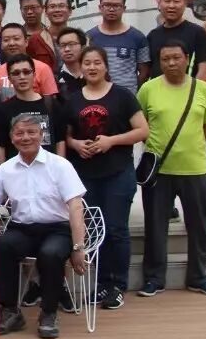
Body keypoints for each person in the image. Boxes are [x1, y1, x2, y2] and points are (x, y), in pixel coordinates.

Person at [0, 114, 87, 339]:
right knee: (3, 245)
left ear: (41, 135)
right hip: (23, 228)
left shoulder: (60, 165)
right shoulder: (6, 169)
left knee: (51, 253)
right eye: (19, 133)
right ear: (12, 138)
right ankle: (10, 310)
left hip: (57, 229)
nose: (25, 137)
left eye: (31, 132)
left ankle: (48, 313)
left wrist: (78, 247)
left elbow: (76, 206)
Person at [63, 45, 148, 310]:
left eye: (97, 62)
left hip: (118, 173)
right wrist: (76, 144)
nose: (92, 67)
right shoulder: (73, 99)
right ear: (81, 67)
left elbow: (142, 130)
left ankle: (117, 285)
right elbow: (66, 136)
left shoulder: (122, 96)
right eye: (87, 63)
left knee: (116, 229)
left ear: (106, 66)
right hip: (85, 176)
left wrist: (111, 140)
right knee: (94, 231)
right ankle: (100, 284)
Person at [138, 40, 206, 297]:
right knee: (155, 227)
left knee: (199, 226)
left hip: (195, 169)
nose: (171, 63)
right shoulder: (148, 89)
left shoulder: (202, 88)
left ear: (187, 58)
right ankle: (154, 279)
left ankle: (198, 278)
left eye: (176, 57)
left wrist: (190, 146)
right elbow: (140, 126)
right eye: (165, 59)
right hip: (159, 171)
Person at [0, 54, 66, 163]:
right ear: (9, 78)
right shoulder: (2, 110)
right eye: (16, 73)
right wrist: (3, 171)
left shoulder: (51, 105)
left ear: (34, 75)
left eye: (26, 72)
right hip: (17, 169)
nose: (22, 77)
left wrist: (60, 167)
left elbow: (60, 141)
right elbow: (0, 146)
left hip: (49, 168)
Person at [86, 0, 150, 94]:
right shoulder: (89, 37)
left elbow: (144, 71)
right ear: (100, 7)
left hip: (128, 97)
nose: (111, 9)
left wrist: (132, 91)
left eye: (116, 6)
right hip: (97, 95)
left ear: (124, 8)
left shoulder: (137, 37)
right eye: (107, 5)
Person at [147, 0, 206, 78]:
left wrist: (194, 86)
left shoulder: (197, 32)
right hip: (158, 87)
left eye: (176, 1)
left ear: (185, 4)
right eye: (167, 1)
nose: (171, 5)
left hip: (187, 87)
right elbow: (148, 68)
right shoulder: (153, 35)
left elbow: (204, 67)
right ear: (159, 4)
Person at [0, 24, 59, 102]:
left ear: (26, 42)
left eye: (16, 39)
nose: (11, 43)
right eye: (6, 40)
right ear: (1, 44)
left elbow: (51, 101)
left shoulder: (43, 68)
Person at [19, 0, 57, 68]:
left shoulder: (50, 34)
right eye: (25, 8)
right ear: (21, 10)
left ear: (42, 8)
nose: (29, 12)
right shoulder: (17, 36)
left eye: (33, 8)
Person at [54, 27, 88, 96]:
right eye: (62, 45)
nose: (67, 49)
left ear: (83, 48)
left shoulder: (92, 72)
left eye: (71, 44)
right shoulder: (54, 76)